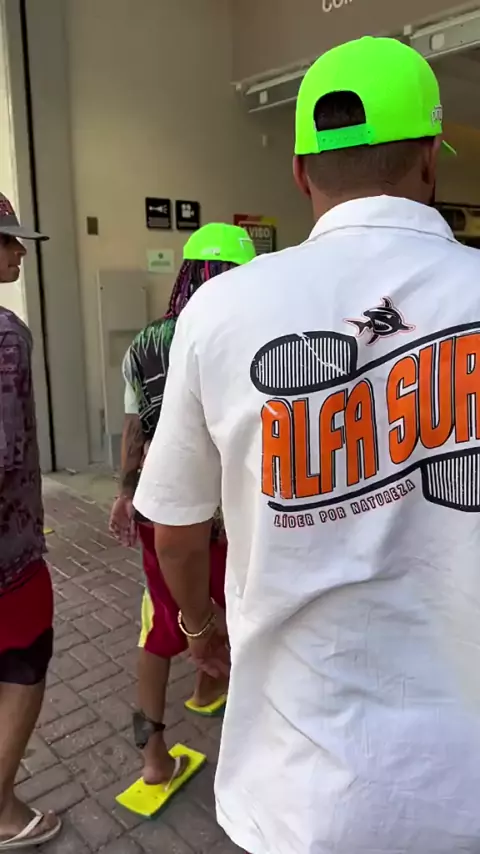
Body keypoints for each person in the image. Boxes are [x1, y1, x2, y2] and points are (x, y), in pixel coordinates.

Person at [134, 36, 480, 854]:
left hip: (297, 788)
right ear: (429, 160)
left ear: (298, 172)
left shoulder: (219, 313)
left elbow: (176, 533)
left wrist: (199, 628)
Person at [109, 222, 256, 792]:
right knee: (240, 616)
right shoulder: (244, 334)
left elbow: (134, 428)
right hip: (231, 515)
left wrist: (126, 492)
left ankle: (155, 756)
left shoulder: (143, 343)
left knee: (159, 626)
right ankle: (245, 738)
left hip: (162, 509)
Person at [0, 194, 61, 848]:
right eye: (6, 240)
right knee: (23, 664)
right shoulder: (6, 336)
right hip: (8, 558)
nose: (19, 251)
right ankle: (2, 810)